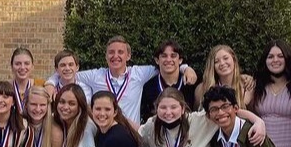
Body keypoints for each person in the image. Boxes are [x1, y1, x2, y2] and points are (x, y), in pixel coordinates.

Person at [45, 36, 197, 125]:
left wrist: (185, 68)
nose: (115, 56)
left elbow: (166, 66)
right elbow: (67, 72)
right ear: (106, 56)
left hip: (132, 137)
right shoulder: (95, 75)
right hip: (103, 134)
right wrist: (50, 83)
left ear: (128, 56)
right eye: (111, 52)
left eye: (120, 52)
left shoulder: (140, 73)